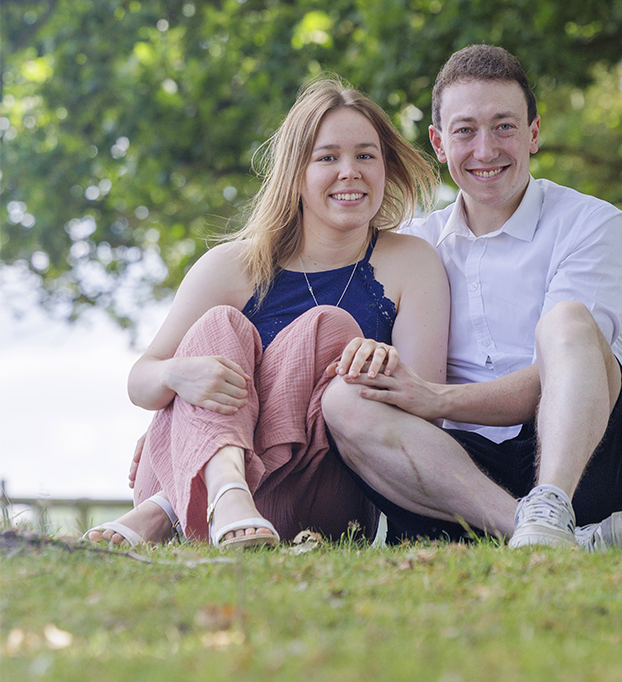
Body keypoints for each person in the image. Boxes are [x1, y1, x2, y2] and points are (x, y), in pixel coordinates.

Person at [321, 44, 622, 548]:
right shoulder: (414, 245)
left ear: (533, 133)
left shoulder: (591, 223)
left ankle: (551, 509)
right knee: (344, 397)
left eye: (504, 127)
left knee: (568, 321)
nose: (485, 151)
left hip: (594, 469)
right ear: (439, 143)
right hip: (461, 479)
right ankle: (544, 533)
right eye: (465, 131)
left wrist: (437, 397)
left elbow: (570, 372)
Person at [84, 77, 449, 548]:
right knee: (220, 325)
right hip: (192, 483)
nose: (350, 172)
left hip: (315, 492)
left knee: (330, 326)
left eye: (365, 155)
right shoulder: (231, 265)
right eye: (327, 158)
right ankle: (222, 490)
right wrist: (177, 376)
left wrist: (382, 366)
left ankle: (168, 511)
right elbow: (141, 381)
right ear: (295, 172)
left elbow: (424, 422)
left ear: (385, 167)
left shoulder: (412, 262)